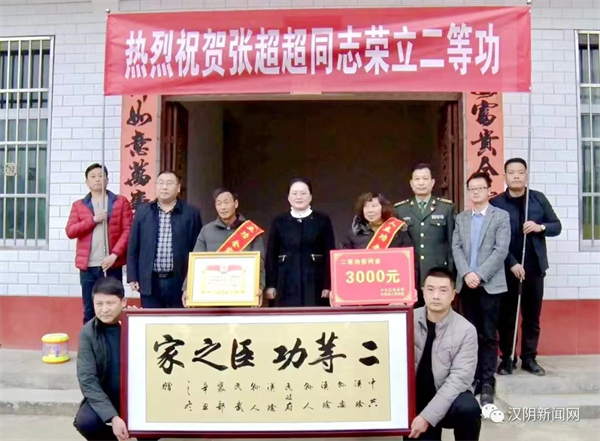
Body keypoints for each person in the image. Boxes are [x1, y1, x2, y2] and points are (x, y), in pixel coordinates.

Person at [491, 158, 562, 376]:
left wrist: (540, 227)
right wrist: (512, 263)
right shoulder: (496, 203)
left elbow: (556, 226)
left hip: (534, 268)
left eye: (520, 172)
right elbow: (492, 239)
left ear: (526, 175)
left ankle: (529, 358)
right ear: (505, 176)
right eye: (511, 172)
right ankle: (507, 358)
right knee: (507, 317)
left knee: (531, 316)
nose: (516, 176)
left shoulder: (538, 199)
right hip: (507, 269)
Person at [452, 171, 510, 406]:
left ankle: (487, 381)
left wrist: (479, 274)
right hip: (467, 285)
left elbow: (501, 250)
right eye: (472, 189)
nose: (476, 192)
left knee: (487, 335)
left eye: (480, 188)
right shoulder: (462, 218)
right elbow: (456, 248)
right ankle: (473, 378)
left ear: (489, 190)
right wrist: (467, 273)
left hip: (490, 285)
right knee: (470, 335)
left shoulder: (501, 216)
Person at [73, 277, 150, 441]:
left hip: (138, 396)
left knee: (152, 426)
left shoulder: (137, 324)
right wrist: (112, 417)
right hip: (106, 396)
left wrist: (143, 321)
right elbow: (87, 379)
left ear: (123, 302)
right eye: (99, 304)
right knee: (86, 422)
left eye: (110, 303)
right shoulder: (88, 333)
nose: (104, 309)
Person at [409, 267, 481, 441]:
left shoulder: (466, 330)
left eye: (443, 290)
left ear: (453, 295)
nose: (436, 296)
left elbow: (459, 380)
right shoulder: (407, 319)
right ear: (423, 292)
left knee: (469, 407)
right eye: (430, 289)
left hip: (448, 401)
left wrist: (427, 417)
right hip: (416, 402)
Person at [66, 163, 132, 324]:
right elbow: (70, 231)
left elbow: (128, 230)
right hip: (88, 266)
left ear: (107, 180)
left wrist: (115, 255)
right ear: (87, 182)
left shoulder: (120, 202)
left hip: (112, 264)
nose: (97, 179)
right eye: (93, 176)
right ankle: (91, 339)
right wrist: (93, 220)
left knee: (113, 307)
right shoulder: (79, 205)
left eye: (101, 176)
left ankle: (115, 338)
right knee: (90, 309)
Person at [127, 170, 202, 308]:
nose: (164, 187)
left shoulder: (191, 213)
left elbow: (197, 249)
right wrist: (132, 276)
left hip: (179, 281)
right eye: (160, 183)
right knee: (152, 319)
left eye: (169, 183)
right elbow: (133, 245)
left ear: (178, 188)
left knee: (178, 319)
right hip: (150, 280)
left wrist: (192, 281)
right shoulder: (143, 212)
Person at [182, 188, 265, 306]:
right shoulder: (206, 231)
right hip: (212, 296)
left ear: (236, 204)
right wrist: (187, 288)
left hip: (242, 295)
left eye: (226, 202)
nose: (223, 207)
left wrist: (260, 287)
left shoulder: (250, 230)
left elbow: (259, 262)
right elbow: (195, 263)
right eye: (219, 203)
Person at [265, 178, 335, 307]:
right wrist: (270, 284)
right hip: (285, 281)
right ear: (288, 197)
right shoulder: (279, 221)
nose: (299, 197)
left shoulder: (322, 220)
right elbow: (271, 254)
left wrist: (328, 285)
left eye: (303, 193)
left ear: (310, 197)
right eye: (294, 193)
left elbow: (329, 252)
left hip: (315, 281)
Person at [394, 163, 456, 307]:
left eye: (425, 178)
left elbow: (452, 245)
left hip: (437, 273)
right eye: (417, 179)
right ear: (411, 183)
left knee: (438, 313)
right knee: (412, 315)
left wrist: (452, 276)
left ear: (432, 182)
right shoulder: (400, 210)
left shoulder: (446, 208)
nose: (421, 183)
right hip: (410, 274)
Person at [341, 191, 413, 250]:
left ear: (383, 208)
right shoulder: (355, 232)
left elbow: (408, 256)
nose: (370, 210)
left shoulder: (398, 231)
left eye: (374, 206)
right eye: (366, 206)